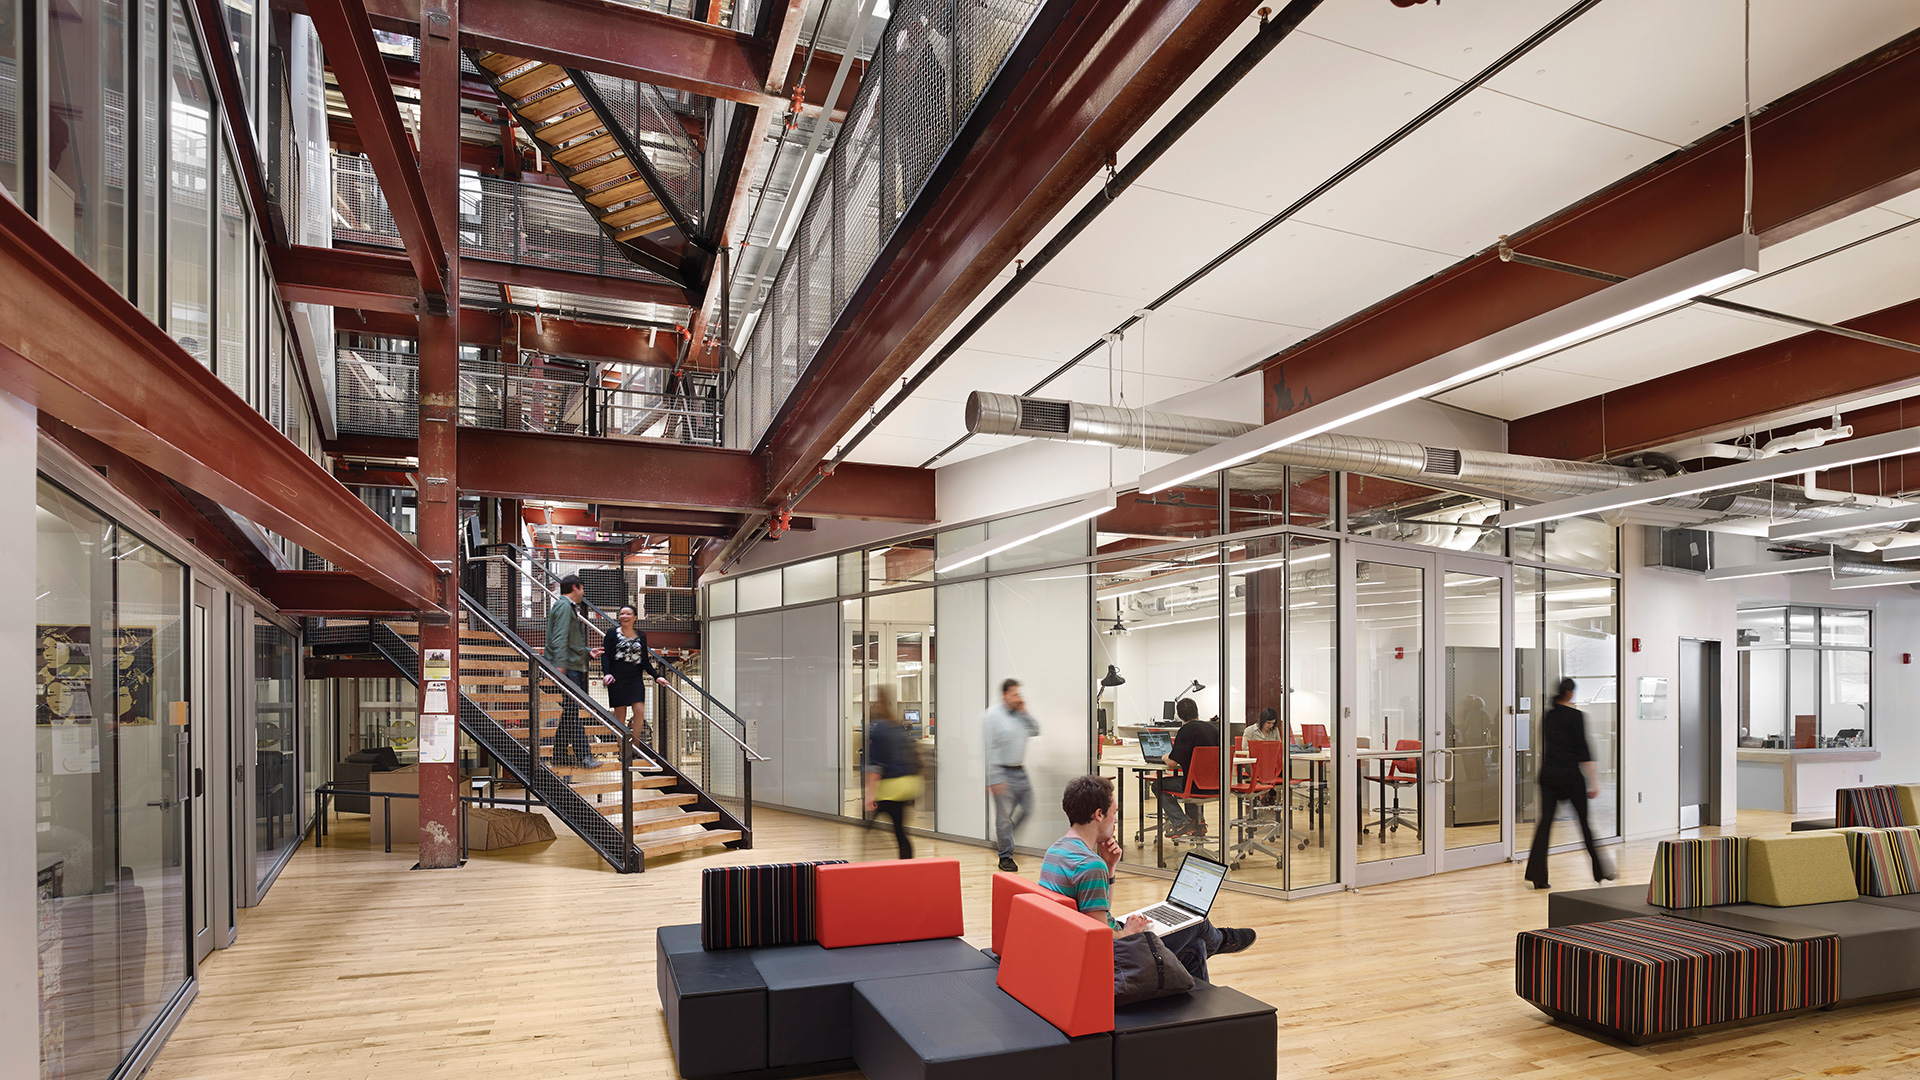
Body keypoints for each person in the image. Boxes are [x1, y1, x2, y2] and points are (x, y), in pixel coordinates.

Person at [1040, 775, 1256, 983]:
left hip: (1079, 945)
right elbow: (1099, 940)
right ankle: (1222, 940)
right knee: (1196, 923)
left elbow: (1100, 914)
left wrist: (1110, 867)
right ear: (1099, 815)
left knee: (1196, 948)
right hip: (1113, 956)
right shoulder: (1089, 865)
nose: (1115, 820)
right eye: (1114, 813)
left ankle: (1198, 1012)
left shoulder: (1055, 851)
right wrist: (1128, 932)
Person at [1523, 677, 1615, 889]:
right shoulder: (1576, 716)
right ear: (1571, 693)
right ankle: (1601, 872)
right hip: (1570, 776)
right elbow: (1583, 750)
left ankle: (1538, 877)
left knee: (1544, 825)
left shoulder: (1548, 716)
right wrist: (1594, 781)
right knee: (1584, 823)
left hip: (1548, 775)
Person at [546, 574, 602, 767]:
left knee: (570, 712)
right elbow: (560, 637)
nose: (583, 592)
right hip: (567, 668)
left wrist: (588, 652)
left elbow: (568, 639)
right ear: (576, 588)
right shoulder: (563, 607)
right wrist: (559, 665)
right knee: (573, 711)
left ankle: (560, 754)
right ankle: (584, 755)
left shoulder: (565, 607)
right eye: (582, 588)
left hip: (569, 665)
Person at [984, 678, 1038, 872]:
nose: (1018, 697)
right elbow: (989, 748)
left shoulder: (1019, 715)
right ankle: (1005, 856)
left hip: (1020, 771)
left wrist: (1025, 712)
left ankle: (1004, 836)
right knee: (1003, 817)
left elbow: (1035, 730)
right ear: (1005, 694)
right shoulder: (992, 716)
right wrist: (993, 778)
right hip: (1002, 771)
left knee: (1028, 807)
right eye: (1015, 694)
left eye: (1019, 693)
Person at [864, 686, 922, 859]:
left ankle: (866, 858)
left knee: (874, 825)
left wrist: (870, 794)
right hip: (908, 784)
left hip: (891, 787)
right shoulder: (897, 726)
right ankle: (907, 864)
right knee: (899, 830)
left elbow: (877, 765)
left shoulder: (879, 730)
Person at [1157, 698, 1219, 840]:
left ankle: (1181, 822)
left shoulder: (1186, 731)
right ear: (1197, 711)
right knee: (1190, 780)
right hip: (1215, 785)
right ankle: (1199, 824)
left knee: (1158, 785)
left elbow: (1172, 763)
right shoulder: (1213, 729)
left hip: (1194, 786)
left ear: (1179, 716)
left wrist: (1165, 757)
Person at [601, 604, 660, 744]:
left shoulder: (641, 635)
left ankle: (636, 745)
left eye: (628, 614)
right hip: (616, 678)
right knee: (620, 714)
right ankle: (622, 748)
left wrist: (657, 676)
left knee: (639, 710)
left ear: (634, 617)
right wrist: (607, 673)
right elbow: (605, 655)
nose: (624, 617)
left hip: (635, 678)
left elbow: (644, 660)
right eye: (622, 614)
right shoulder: (611, 633)